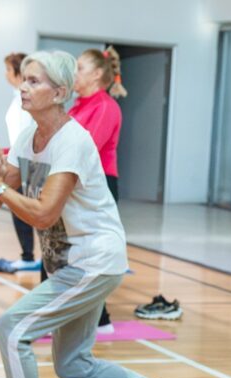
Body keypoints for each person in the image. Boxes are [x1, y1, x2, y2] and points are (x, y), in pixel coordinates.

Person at [0, 50, 175, 378]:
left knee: (11, 328)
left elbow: (44, 214)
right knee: (72, 365)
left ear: (59, 92)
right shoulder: (28, 137)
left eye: (34, 81)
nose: (23, 87)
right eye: (23, 79)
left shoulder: (72, 141)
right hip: (72, 264)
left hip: (93, 262)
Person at [69, 46, 128, 333]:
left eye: (79, 68)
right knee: (63, 250)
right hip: (77, 183)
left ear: (95, 75)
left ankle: (100, 319)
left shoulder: (105, 107)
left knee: (91, 253)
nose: (74, 73)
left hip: (99, 185)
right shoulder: (77, 106)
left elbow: (86, 150)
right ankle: (67, 314)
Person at [3, 52, 38, 270]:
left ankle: (30, 257)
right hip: (20, 159)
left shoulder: (25, 101)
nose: (5, 74)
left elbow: (27, 134)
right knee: (20, 209)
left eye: (8, 69)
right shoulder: (17, 98)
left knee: (30, 210)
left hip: (29, 163)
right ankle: (27, 256)